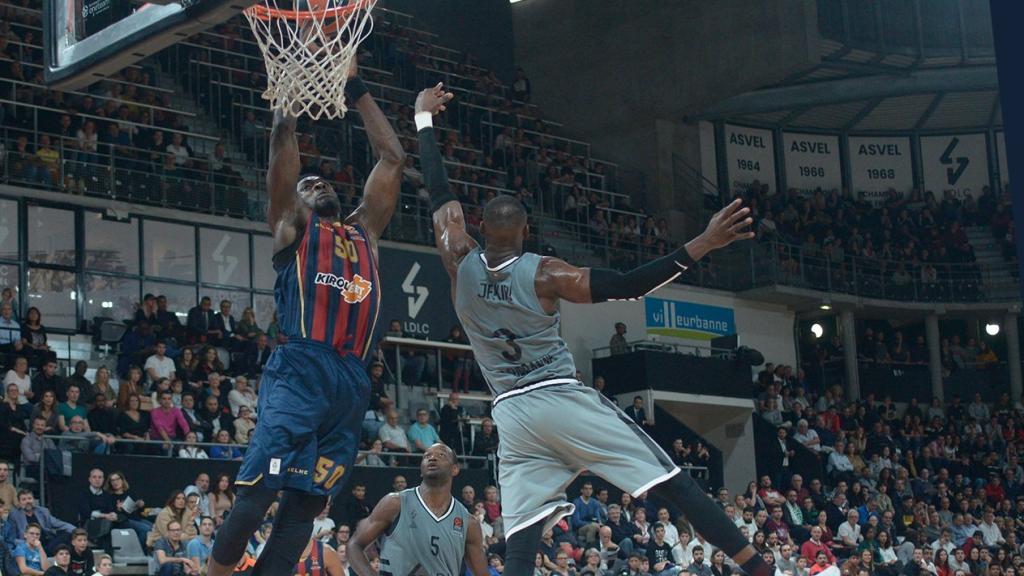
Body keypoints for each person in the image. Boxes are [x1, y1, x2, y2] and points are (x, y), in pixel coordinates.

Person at [420, 82, 764, 576]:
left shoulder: (457, 258)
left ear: (479, 226)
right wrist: (703, 243)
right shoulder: (544, 273)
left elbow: (439, 190)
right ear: (526, 232)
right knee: (672, 481)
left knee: (520, 533)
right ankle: (760, 569)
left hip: (511, 414)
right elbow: (630, 285)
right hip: (559, 396)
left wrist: (423, 120)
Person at [209, 64, 407, 576]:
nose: (316, 183)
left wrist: (355, 84)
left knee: (307, 506)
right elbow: (282, 142)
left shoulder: (366, 233)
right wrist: (288, 93)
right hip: (300, 367)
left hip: (351, 382)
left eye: (322, 181)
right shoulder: (294, 229)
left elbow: (393, 157)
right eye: (308, 183)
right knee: (259, 491)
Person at [349, 443, 488, 576]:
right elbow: (354, 545)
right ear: (421, 470)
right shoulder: (395, 503)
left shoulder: (468, 522)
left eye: (441, 455)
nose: (432, 458)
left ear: (455, 469)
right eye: (427, 456)